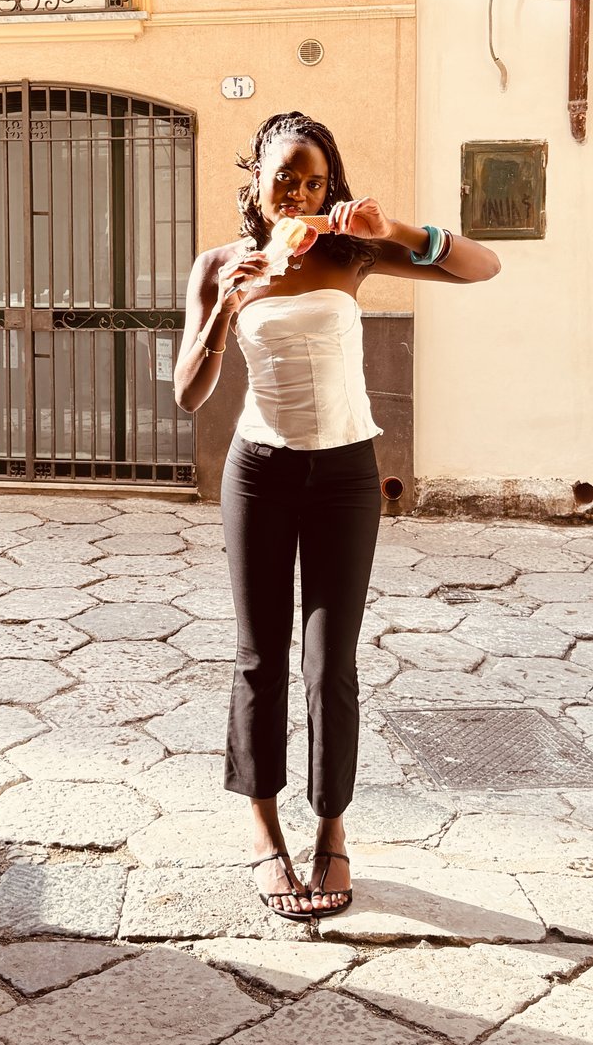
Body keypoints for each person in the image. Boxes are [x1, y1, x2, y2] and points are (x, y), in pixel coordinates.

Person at [173, 111, 500, 920]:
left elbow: (480, 267)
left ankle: (331, 831)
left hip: (348, 471)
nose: (299, 192)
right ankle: (262, 832)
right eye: (286, 176)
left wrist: (397, 227)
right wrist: (227, 306)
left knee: (332, 664)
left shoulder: (350, 250)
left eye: (315, 180)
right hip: (259, 472)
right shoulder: (218, 264)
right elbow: (189, 391)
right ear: (255, 176)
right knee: (260, 658)